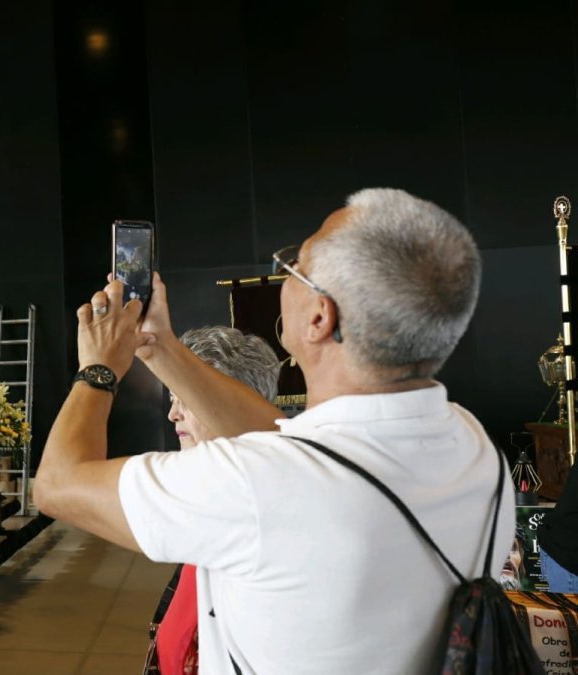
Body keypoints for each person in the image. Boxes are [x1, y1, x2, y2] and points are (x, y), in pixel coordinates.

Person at [37, 188, 514, 674]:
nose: (285, 273)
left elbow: (57, 484)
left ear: (319, 317)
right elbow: (287, 438)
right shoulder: (472, 445)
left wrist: (98, 368)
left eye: (295, 265)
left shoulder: (256, 485)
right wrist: (160, 349)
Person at [153, 327, 280, 675]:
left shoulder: (264, 512)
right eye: (172, 399)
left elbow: (58, 487)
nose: (172, 415)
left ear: (234, 403)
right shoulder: (207, 503)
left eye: (185, 400)